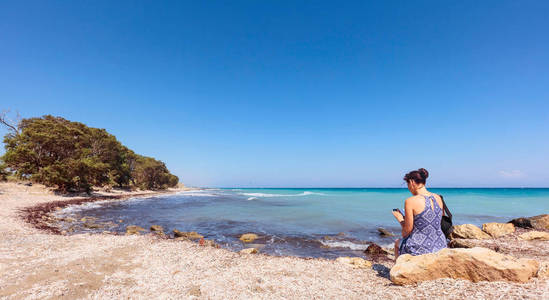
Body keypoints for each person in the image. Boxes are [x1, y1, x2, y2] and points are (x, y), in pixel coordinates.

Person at [392, 168, 447, 259]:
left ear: (412, 182)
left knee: (397, 243)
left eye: (408, 185)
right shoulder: (438, 197)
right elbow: (437, 220)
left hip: (419, 247)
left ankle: (398, 270)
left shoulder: (410, 201)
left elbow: (406, 232)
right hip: (440, 244)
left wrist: (400, 219)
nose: (409, 188)